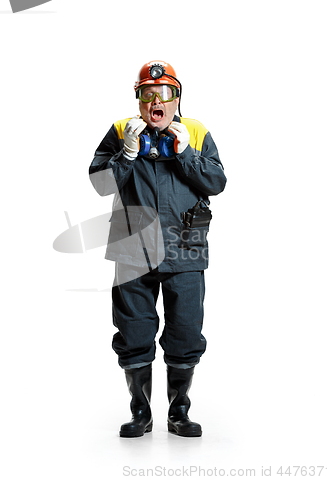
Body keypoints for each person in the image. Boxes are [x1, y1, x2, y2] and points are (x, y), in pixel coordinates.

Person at [89, 60, 227, 438]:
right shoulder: (121, 132)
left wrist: (185, 154)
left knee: (185, 332)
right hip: (132, 250)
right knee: (133, 333)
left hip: (186, 249)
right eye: (147, 94)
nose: (156, 101)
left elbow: (216, 181)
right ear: (138, 101)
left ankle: (178, 410)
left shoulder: (196, 131)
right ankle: (141, 411)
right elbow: (101, 184)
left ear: (176, 98)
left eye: (164, 93)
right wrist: (127, 155)